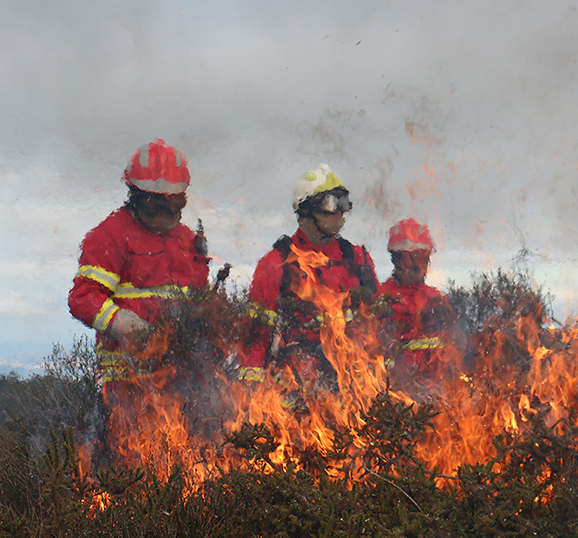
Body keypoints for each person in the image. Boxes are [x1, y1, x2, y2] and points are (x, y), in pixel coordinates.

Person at [68, 138, 211, 388]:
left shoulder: (188, 240)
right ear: (135, 196)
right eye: (154, 204)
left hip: (183, 375)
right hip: (127, 376)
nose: (164, 213)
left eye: (173, 203)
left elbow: (198, 298)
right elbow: (82, 296)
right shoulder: (109, 236)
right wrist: (120, 322)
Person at [240, 164, 378, 398]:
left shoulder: (358, 260)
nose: (339, 214)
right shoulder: (276, 263)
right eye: (330, 204)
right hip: (294, 387)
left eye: (343, 204)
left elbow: (376, 326)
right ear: (306, 211)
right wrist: (251, 388)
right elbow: (257, 334)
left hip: (350, 387)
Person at [379, 218, 459, 387]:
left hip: (435, 392)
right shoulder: (380, 300)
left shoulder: (437, 300)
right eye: (411, 257)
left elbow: (455, 346)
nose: (417, 264)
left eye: (422, 257)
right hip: (394, 393)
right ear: (396, 259)